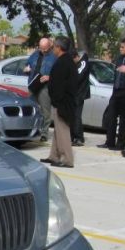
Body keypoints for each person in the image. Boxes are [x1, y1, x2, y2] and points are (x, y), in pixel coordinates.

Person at [40, 36, 77, 168]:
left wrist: (56, 99)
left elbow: (60, 85)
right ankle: (54, 156)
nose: (53, 48)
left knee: (63, 131)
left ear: (59, 48)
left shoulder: (63, 62)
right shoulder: (66, 61)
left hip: (62, 102)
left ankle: (67, 159)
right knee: (57, 131)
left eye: (54, 46)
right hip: (62, 101)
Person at [98, 38, 125, 154]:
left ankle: (120, 144)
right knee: (111, 116)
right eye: (120, 47)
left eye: (123, 47)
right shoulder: (119, 59)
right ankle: (110, 141)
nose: (121, 49)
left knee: (124, 119)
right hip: (116, 91)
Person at [24, 37, 57, 142]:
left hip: (45, 86)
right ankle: (29, 130)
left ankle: (44, 133)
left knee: (45, 110)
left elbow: (59, 73)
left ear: (49, 46)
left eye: (44, 49)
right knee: (30, 108)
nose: (42, 51)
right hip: (33, 83)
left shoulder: (54, 57)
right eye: (40, 48)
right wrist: (26, 69)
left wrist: (49, 77)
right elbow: (27, 64)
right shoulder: (35, 54)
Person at [70, 47, 90, 146]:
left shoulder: (83, 63)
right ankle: (73, 136)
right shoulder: (76, 63)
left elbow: (77, 77)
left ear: (77, 57)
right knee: (72, 115)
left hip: (80, 93)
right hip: (74, 93)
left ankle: (79, 138)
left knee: (77, 116)